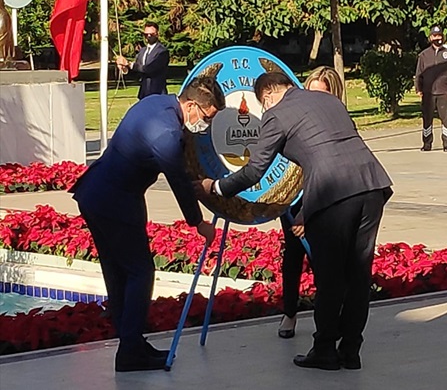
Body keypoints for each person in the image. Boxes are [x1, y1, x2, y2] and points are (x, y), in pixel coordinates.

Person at [193, 72, 393, 371]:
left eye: (263, 104)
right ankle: (351, 351)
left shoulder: (278, 114)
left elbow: (254, 171)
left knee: (331, 279)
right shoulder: (327, 101)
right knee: (358, 275)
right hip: (371, 185)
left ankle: (325, 349)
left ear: (269, 94)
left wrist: (216, 188)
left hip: (334, 193)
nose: (265, 109)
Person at [69, 71, 225, 372]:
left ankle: (131, 343)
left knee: (119, 275)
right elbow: (178, 180)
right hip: (114, 202)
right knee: (140, 273)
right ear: (191, 106)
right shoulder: (166, 133)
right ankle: (129, 353)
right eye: (208, 116)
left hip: (96, 194)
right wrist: (199, 223)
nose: (206, 124)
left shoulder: (157, 102)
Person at [277, 66, 345, 339]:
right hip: (294, 196)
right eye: (311, 92)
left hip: (325, 197)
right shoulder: (295, 118)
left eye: (323, 94)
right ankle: (289, 313)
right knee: (293, 255)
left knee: (326, 262)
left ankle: (328, 322)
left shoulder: (339, 121)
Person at [415, 25, 447, 152]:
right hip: (428, 93)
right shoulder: (423, 55)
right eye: (435, 36)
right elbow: (419, 73)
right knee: (427, 119)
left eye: (439, 35)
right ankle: (427, 144)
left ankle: (446, 144)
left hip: (443, 92)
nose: (437, 38)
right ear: (430, 37)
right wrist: (418, 88)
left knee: (445, 119)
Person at [116, 21, 170, 100]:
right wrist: (124, 68)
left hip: (158, 94)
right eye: (146, 34)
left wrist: (129, 64)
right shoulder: (142, 51)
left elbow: (150, 69)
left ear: (157, 34)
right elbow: (137, 72)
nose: (148, 36)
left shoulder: (162, 52)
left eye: (151, 34)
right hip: (143, 95)